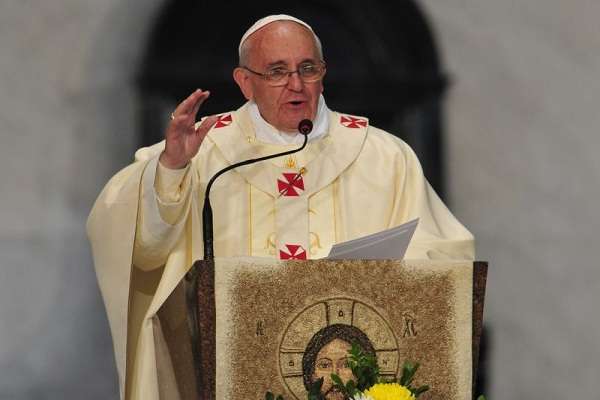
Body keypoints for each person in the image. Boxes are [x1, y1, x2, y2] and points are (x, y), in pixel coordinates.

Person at [87, 14, 474, 400]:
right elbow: (132, 236)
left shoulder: (384, 156)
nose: (296, 84)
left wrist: (381, 285)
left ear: (323, 73)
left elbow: (442, 255)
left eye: (307, 68)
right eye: (276, 71)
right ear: (245, 82)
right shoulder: (201, 151)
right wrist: (171, 170)